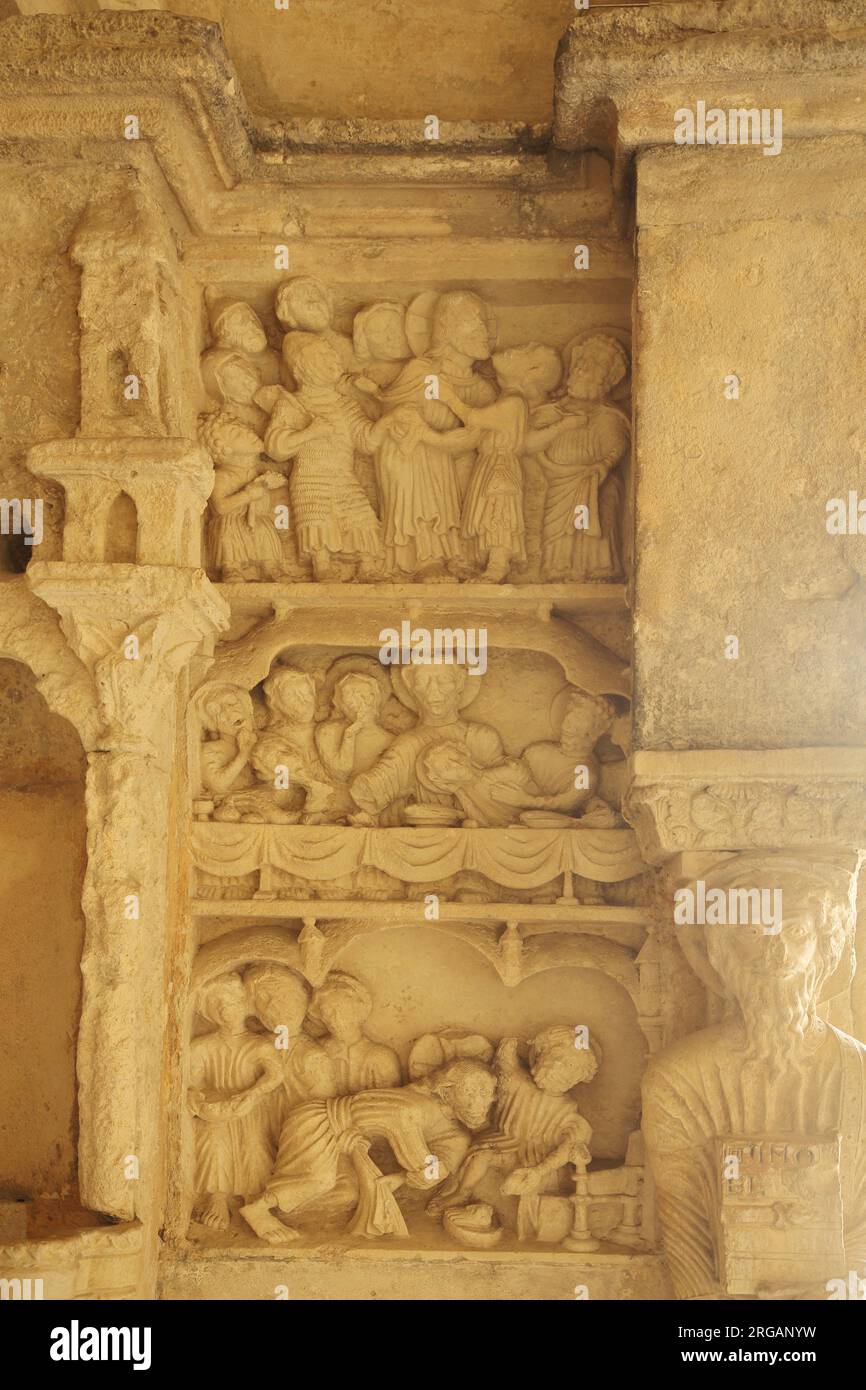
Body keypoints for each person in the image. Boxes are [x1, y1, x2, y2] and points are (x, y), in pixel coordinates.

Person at [643, 854, 866, 1299]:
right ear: (724, 947)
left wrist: (844, 1290)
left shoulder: (859, 1073)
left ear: (823, 944)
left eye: (796, 931)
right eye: (754, 931)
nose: (776, 949)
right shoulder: (677, 1079)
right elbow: (685, 1236)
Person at [239, 1058, 497, 1243]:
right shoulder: (415, 1103)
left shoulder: (456, 1136)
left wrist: (400, 1179)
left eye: (489, 1094)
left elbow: (435, 1169)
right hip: (321, 1121)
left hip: (351, 1148)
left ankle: (291, 1210)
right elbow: (406, 1134)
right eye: (474, 1091)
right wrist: (418, 1166)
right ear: (446, 1090)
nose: (484, 1101)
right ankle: (259, 1208)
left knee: (347, 1196)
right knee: (317, 1180)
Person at [428, 1030, 597, 1242]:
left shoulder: (567, 1109)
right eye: (555, 1058)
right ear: (541, 1056)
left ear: (581, 1077)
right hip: (502, 1142)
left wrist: (539, 1170)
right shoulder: (521, 1083)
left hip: (538, 1157)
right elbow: (505, 1066)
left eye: (570, 1067)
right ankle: (463, 1192)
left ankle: (510, 1217)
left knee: (530, 1185)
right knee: (481, 1156)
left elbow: (572, 1141)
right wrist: (508, 1045)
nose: (557, 1068)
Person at [349, 664, 505, 825]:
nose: (434, 691)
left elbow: (508, 788)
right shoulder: (408, 745)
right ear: (411, 687)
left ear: (459, 682)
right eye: (423, 682)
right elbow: (373, 789)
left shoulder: (482, 737)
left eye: (443, 680)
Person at [189, 972, 284, 1230]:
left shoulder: (259, 1045)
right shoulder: (202, 1046)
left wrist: (252, 1094)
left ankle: (255, 1197)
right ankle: (217, 1197)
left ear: (243, 1005)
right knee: (212, 1138)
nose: (224, 1010)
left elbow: (275, 1074)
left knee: (254, 1143)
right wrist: (200, 1102)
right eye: (217, 1006)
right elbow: (192, 1084)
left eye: (230, 1003)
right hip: (216, 1109)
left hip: (250, 1108)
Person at [534, 333, 630, 580]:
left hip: (593, 480)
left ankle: (597, 569)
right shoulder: (550, 410)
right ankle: (558, 569)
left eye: (593, 365)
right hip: (556, 482)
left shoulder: (608, 416)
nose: (581, 368)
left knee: (606, 495)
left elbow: (616, 445)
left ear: (606, 379)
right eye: (581, 361)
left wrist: (603, 466)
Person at [199, 410, 296, 582]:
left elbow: (281, 486)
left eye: (244, 427)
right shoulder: (222, 477)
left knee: (264, 531)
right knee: (227, 532)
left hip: (258, 519)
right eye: (238, 434)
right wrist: (247, 494)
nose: (248, 432)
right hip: (231, 521)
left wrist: (274, 483)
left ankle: (270, 567)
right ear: (225, 450)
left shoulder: (260, 471)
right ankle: (231, 567)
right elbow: (220, 507)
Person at [307, 972, 401, 1093]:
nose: (335, 1018)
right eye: (327, 1012)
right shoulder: (316, 1051)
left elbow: (387, 1104)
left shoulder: (381, 1057)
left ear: (357, 1009)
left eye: (341, 1008)